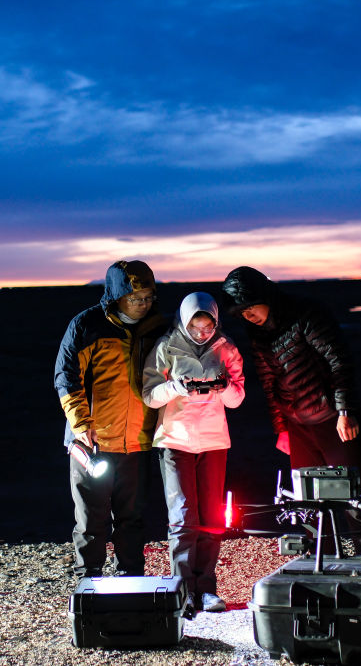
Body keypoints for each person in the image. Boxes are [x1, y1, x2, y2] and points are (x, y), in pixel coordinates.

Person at [220, 266, 361, 557]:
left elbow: (338, 361)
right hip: (298, 426)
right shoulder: (258, 334)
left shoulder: (306, 314)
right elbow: (270, 384)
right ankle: (323, 563)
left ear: (264, 295)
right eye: (241, 312)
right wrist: (282, 429)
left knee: (354, 500)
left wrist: (345, 410)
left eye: (250, 307)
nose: (247, 315)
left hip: (333, 421)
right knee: (309, 503)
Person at [55, 260, 168, 579]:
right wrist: (81, 425)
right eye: (136, 298)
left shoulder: (158, 328)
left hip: (137, 442)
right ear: (117, 296)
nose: (143, 304)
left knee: (132, 520)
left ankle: (131, 580)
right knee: (91, 521)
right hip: (93, 443)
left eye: (148, 297)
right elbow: (66, 377)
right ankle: (88, 582)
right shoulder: (87, 325)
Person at [143, 292, 245, 613]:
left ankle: (207, 589)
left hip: (213, 440)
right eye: (195, 327)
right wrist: (176, 386)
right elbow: (149, 395)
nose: (202, 333)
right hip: (175, 440)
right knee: (183, 516)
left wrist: (224, 386)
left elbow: (237, 399)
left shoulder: (226, 348)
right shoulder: (166, 347)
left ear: (216, 322)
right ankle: (183, 590)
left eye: (207, 327)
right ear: (184, 322)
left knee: (212, 517)